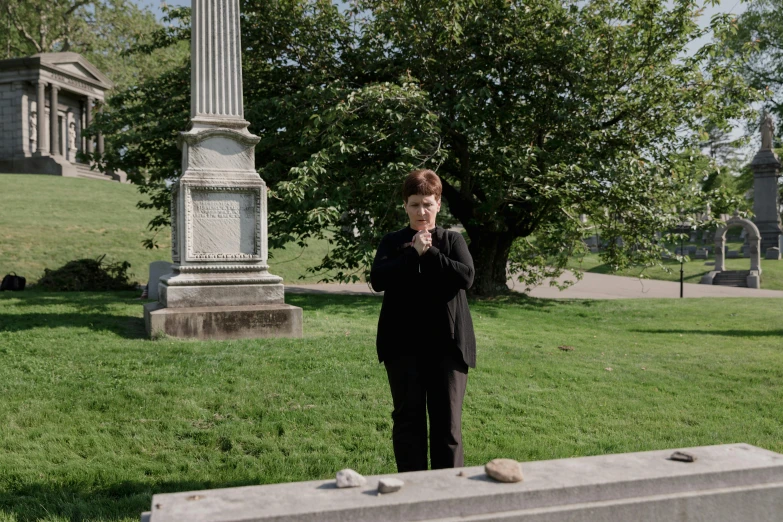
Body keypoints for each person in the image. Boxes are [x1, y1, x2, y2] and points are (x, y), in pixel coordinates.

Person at [370, 169, 476, 472]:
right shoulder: (393, 242)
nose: (421, 211)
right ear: (405, 205)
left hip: (448, 348)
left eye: (427, 203)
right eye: (415, 204)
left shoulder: (452, 240)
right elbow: (378, 279)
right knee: (408, 422)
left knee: (448, 425)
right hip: (403, 347)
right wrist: (412, 254)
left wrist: (428, 254)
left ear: (438, 204)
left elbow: (466, 277)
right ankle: (413, 493)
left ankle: (447, 493)